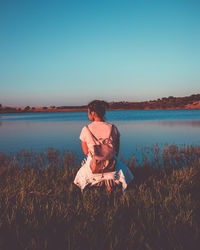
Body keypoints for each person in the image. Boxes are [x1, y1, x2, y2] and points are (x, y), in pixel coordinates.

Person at [74, 100, 134, 192]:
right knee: (123, 169)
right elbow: (116, 150)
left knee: (83, 169)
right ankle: (109, 184)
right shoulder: (113, 128)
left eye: (88, 112)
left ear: (93, 113)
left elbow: (86, 152)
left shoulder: (86, 129)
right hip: (111, 165)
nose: (88, 114)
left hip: (94, 166)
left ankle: (96, 185)